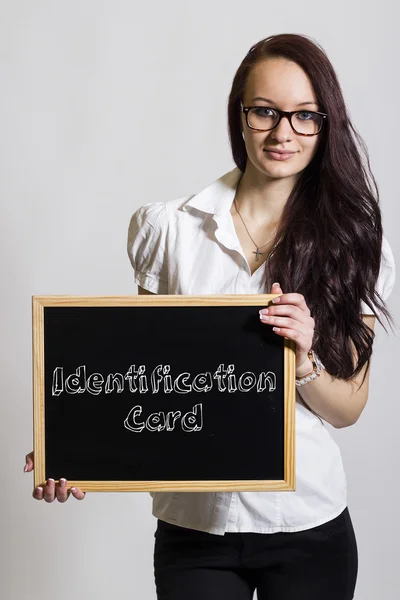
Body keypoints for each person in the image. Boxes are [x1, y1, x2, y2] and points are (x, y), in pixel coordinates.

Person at [24, 33, 396, 600]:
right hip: (193, 527)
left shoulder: (357, 245)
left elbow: (348, 408)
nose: (282, 133)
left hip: (307, 525)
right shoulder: (168, 229)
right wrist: (73, 444)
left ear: (326, 125)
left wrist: (303, 361)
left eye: (304, 116)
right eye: (265, 111)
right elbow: (146, 380)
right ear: (239, 115)